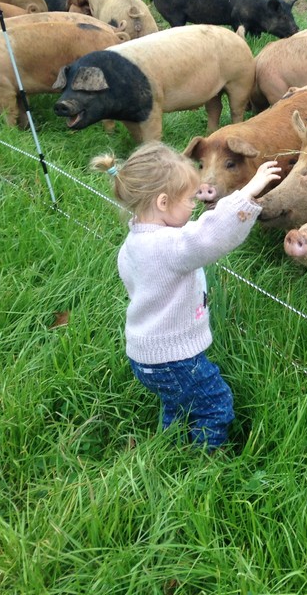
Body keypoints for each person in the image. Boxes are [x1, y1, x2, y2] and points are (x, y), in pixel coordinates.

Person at [91, 142, 281, 452]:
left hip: (145, 357)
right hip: (175, 358)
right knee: (215, 403)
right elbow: (208, 236)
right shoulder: (170, 247)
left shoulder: (135, 243)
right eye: (188, 200)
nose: (193, 205)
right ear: (163, 202)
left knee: (178, 403)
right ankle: (207, 461)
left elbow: (187, 236)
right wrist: (248, 193)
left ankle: (172, 445)